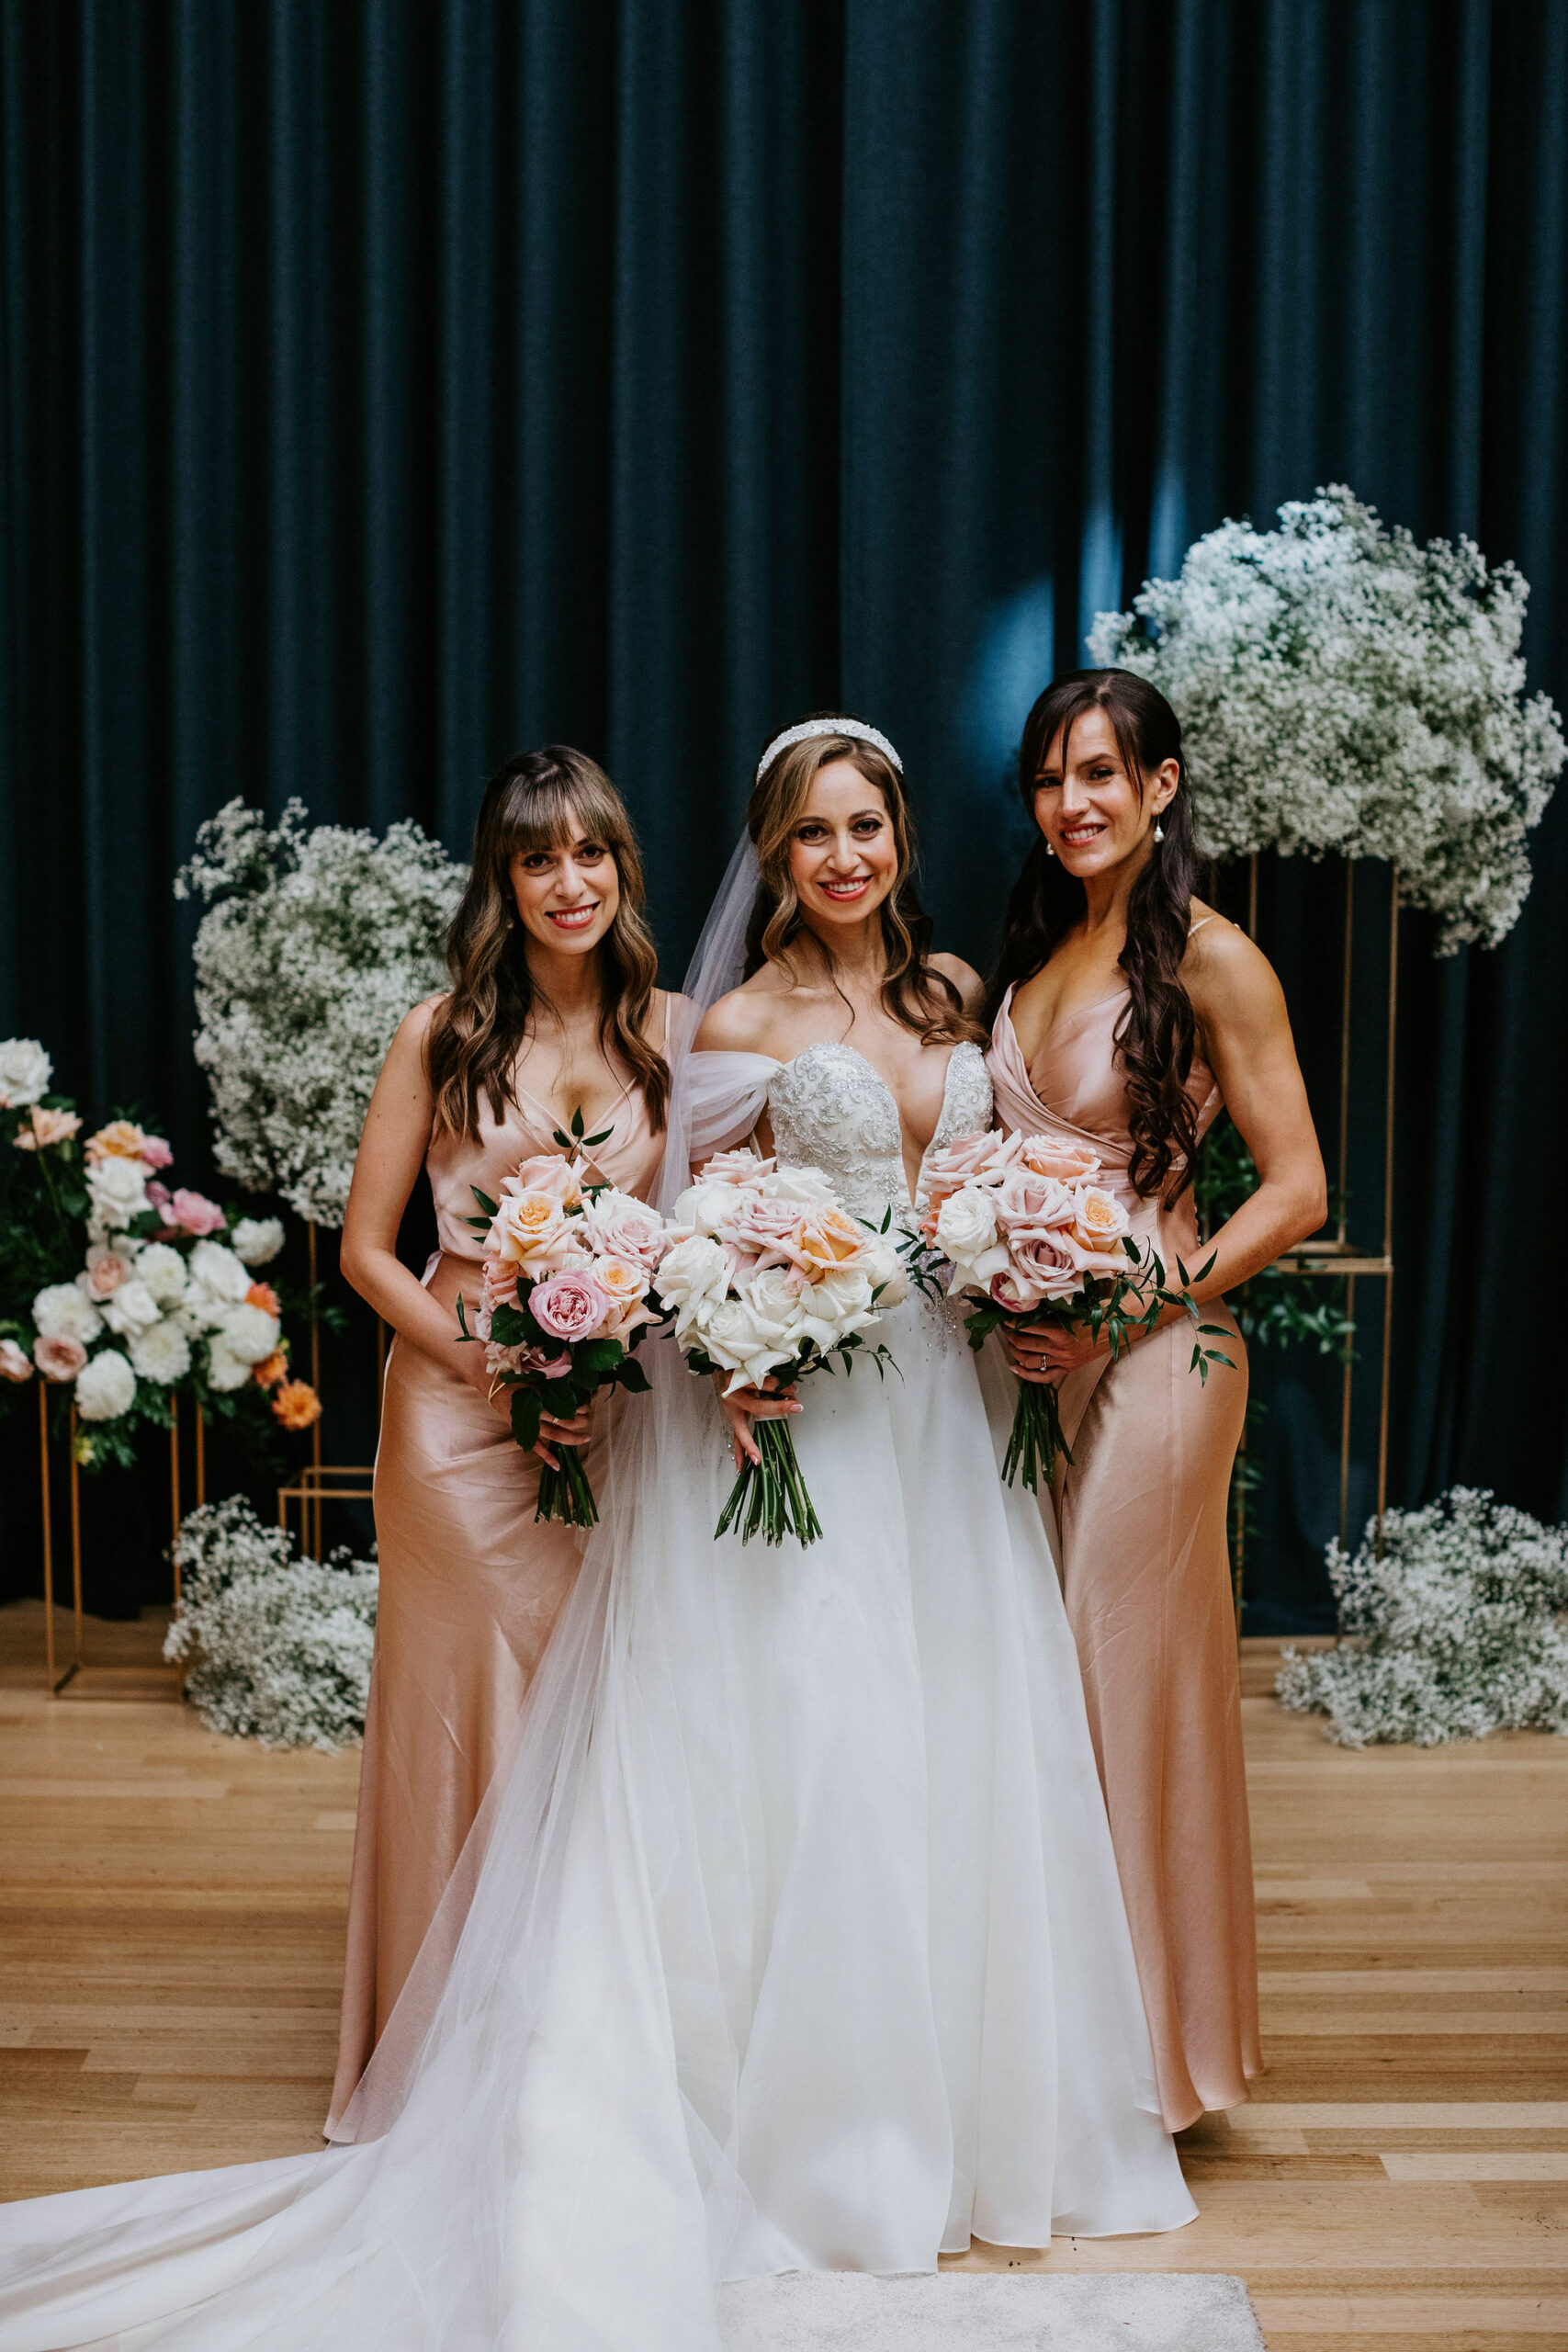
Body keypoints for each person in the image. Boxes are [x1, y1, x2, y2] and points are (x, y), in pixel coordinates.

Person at [0, 717, 1193, 2352]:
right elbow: (699, 1231)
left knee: (944, 1738)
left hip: (941, 1411)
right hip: (772, 1410)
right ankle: (703, 2097)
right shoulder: (723, 1023)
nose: (840, 855)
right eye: (807, 832)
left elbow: (971, 1182)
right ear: (765, 856)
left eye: (865, 826)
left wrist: (1036, 1278)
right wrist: (739, 1345)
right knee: (778, 1735)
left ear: (902, 838)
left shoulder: (950, 1003)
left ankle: (962, 2102)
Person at [986, 668, 1327, 2130]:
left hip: (1166, 1363)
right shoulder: (1049, 949)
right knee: (1052, 1693)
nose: (1077, 801)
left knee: (1117, 1685)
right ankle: (1073, 2044)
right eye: (1054, 777)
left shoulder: (1213, 957)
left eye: (1105, 774)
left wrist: (1137, 1300)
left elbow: (1302, 1188)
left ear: (1164, 786)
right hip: (1046, 1374)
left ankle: (1138, 2081)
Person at [329, 743, 673, 2123]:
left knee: (592, 1734)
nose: (568, 881)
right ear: (504, 880)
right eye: (539, 858)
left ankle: (571, 2070)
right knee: (461, 1724)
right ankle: (436, 2069)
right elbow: (367, 1251)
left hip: (607, 1420)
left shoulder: (675, 1030)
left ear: (621, 868)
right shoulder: (442, 1033)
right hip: (454, 1417)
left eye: (590, 852)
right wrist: (483, 1357)